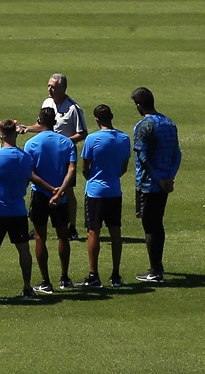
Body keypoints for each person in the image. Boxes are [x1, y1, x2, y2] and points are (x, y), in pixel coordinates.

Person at [0, 119, 60, 301]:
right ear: (15, 134)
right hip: (18, 210)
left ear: (0, 135)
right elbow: (29, 177)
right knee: (23, 250)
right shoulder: (26, 157)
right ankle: (27, 288)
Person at [20, 74, 87, 241]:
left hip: (63, 155)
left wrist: (62, 143)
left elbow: (82, 133)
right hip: (45, 152)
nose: (49, 89)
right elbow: (43, 125)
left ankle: (71, 227)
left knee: (68, 190)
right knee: (39, 186)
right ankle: (37, 228)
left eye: (53, 87)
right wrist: (28, 128)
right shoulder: (47, 103)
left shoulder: (73, 108)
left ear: (63, 88)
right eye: (49, 85)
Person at [24, 107, 76, 292]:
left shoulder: (31, 143)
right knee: (63, 236)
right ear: (55, 122)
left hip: (40, 195)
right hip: (61, 198)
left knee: (40, 238)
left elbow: (30, 173)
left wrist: (49, 189)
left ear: (39, 121)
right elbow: (71, 170)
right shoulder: (66, 143)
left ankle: (46, 281)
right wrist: (60, 191)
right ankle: (64, 277)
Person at [132, 87, 180, 283]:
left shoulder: (144, 126)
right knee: (157, 222)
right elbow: (177, 154)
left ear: (138, 106)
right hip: (164, 182)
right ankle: (158, 266)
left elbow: (142, 157)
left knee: (150, 224)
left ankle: (155, 270)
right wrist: (170, 177)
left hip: (148, 184)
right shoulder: (169, 122)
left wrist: (159, 179)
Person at [80, 104, 131, 288]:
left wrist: (93, 178)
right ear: (112, 116)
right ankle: (116, 275)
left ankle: (94, 275)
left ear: (96, 119)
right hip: (114, 190)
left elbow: (85, 168)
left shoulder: (92, 139)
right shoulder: (124, 138)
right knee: (115, 231)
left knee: (93, 231)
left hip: (95, 192)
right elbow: (123, 167)